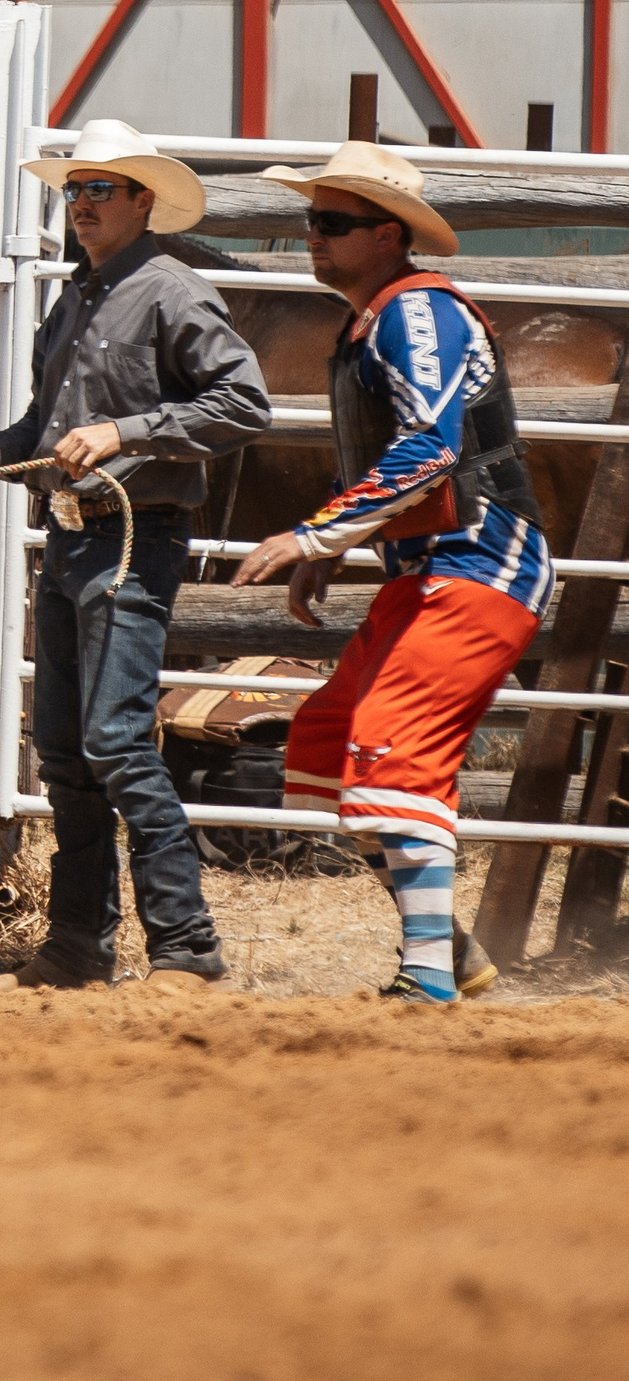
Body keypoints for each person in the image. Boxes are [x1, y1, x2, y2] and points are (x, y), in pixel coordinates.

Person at [0, 117, 273, 988]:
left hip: (134, 537)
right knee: (65, 750)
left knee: (117, 743)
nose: (79, 204)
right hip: (74, 538)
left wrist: (128, 429)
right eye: (73, 189)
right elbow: (54, 437)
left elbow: (244, 404)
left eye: (98, 190)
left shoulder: (172, 292)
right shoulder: (77, 298)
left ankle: (186, 948)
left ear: (142, 203)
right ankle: (76, 946)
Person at [233, 142, 539, 1004]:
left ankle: (429, 975)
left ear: (387, 235)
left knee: (389, 750)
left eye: (331, 225)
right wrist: (332, 547)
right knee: (331, 741)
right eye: (311, 222)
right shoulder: (377, 320)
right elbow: (390, 449)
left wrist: (318, 536)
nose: (313, 239)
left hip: (479, 566)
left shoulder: (416, 315)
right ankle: (454, 950)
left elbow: (432, 448)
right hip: (434, 570)